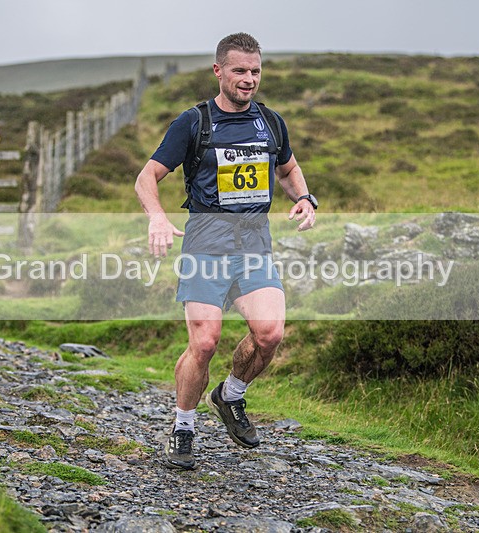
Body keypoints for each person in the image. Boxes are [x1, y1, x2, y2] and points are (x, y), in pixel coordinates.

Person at [134, 32, 317, 470]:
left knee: (270, 334)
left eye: (255, 71)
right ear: (219, 71)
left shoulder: (271, 122)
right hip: (206, 245)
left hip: (254, 245)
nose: (249, 79)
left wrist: (305, 198)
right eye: (240, 70)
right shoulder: (193, 122)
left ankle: (230, 395)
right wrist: (157, 218)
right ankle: (183, 427)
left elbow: (287, 167)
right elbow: (147, 176)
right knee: (204, 342)